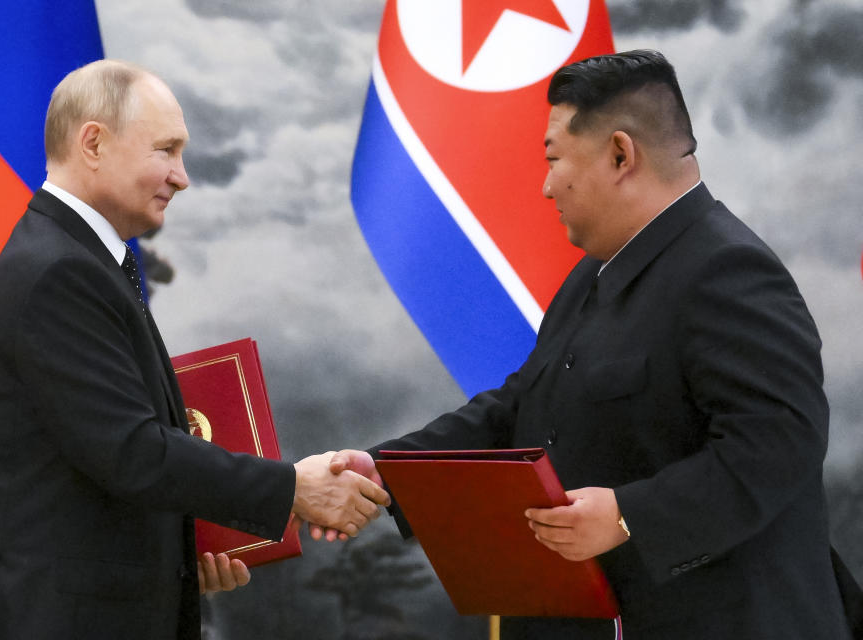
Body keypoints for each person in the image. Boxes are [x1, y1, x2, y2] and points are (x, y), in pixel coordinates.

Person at [328, 50, 857, 639]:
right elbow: (522, 404)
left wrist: (631, 515)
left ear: (620, 154)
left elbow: (780, 443)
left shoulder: (729, 269)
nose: (546, 185)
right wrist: (387, 468)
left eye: (554, 159)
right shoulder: (593, 273)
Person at [0, 60, 389, 640]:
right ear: (93, 142)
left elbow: (91, 465)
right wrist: (293, 488)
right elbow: (131, 452)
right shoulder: (58, 271)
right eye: (166, 150)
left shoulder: (79, 261)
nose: (182, 176)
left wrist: (184, 552)